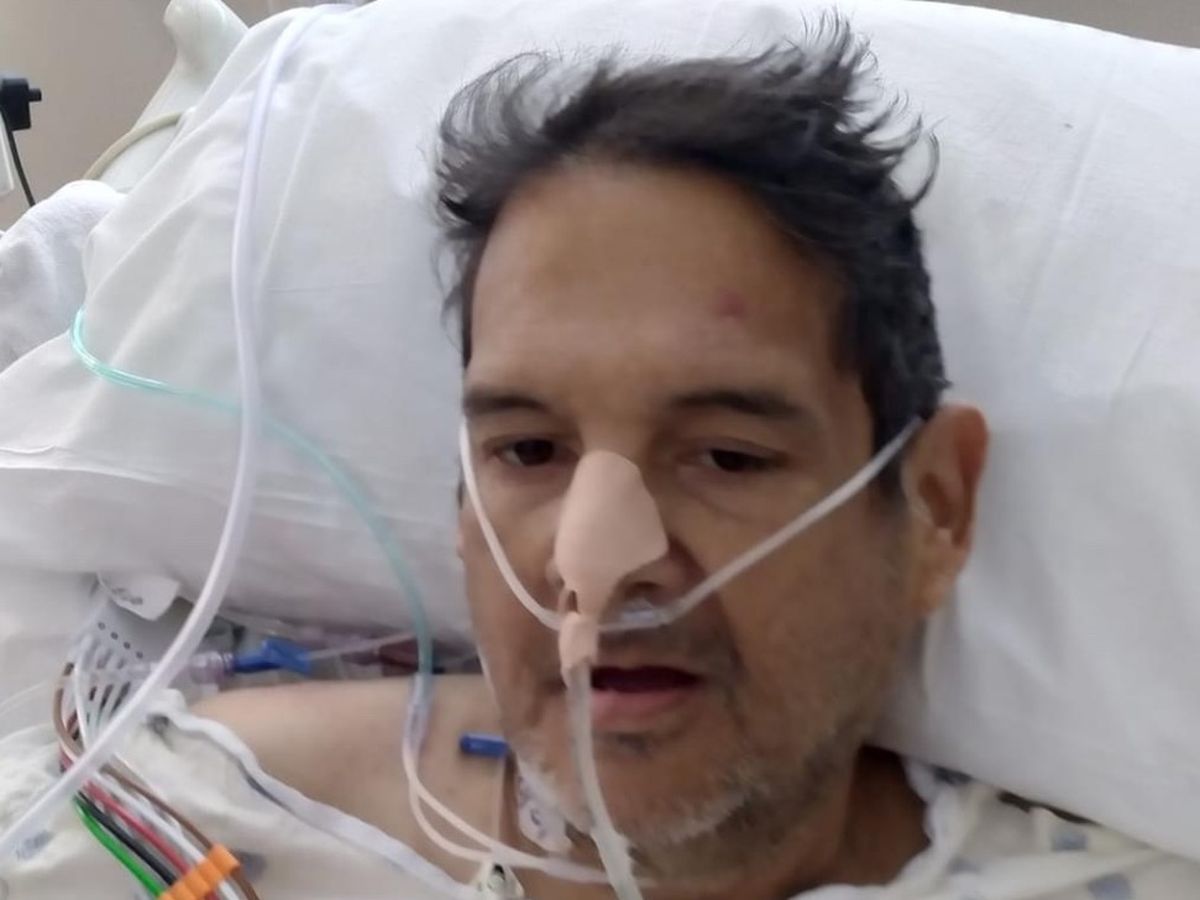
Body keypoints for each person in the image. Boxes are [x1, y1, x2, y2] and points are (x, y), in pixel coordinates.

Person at [191, 24, 1196, 900]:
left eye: (726, 456)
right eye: (530, 450)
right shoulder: (206, 814)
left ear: (934, 508)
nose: (595, 567)